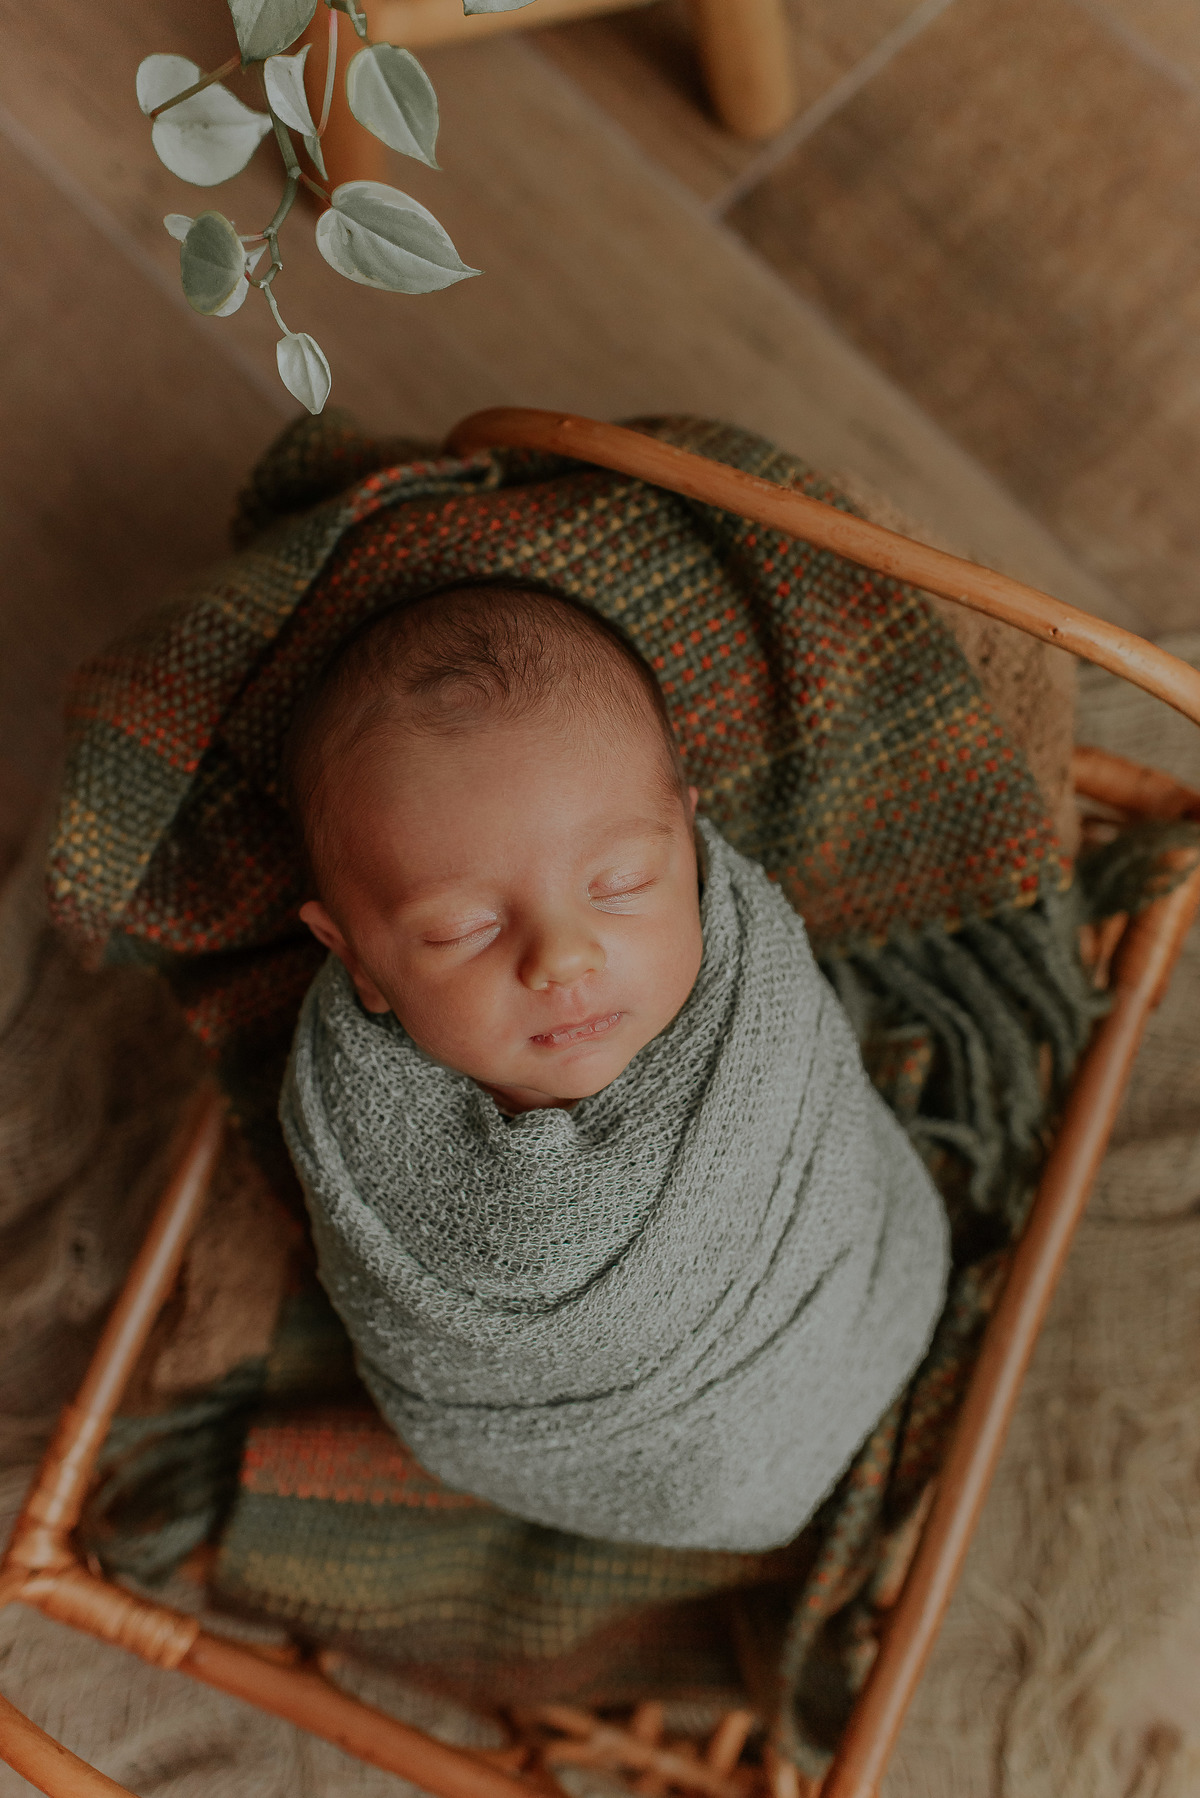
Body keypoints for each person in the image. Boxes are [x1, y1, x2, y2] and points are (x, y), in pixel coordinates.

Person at [280, 582, 948, 1552]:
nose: (563, 957)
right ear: (355, 959)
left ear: (687, 841)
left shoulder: (750, 986)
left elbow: (827, 1145)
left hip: (853, 1293)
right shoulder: (350, 1118)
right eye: (462, 928)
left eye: (622, 883)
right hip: (567, 1458)